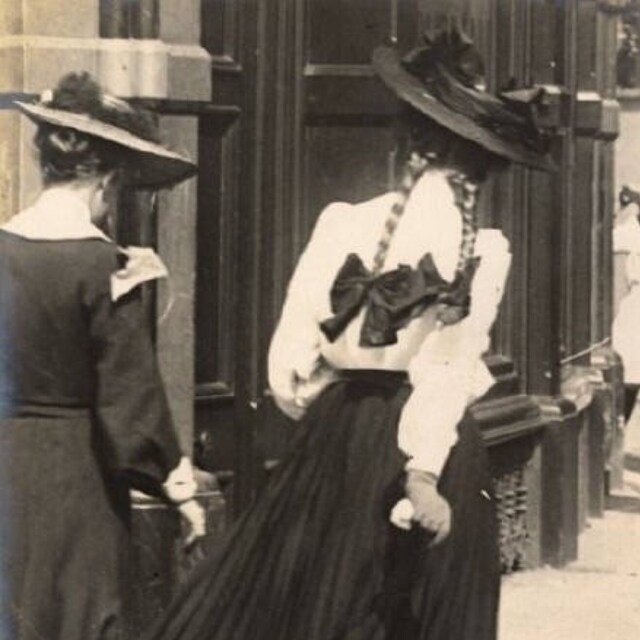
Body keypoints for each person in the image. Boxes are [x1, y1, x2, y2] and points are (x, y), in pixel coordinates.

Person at [143, 28, 554, 640]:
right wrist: (421, 475)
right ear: (484, 165)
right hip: (430, 453)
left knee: (315, 607)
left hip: (336, 440)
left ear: (408, 140)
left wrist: (334, 407)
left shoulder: (343, 222)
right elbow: (444, 373)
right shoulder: (483, 249)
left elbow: (288, 371)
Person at [0, 72, 205, 640]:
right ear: (108, 182)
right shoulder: (104, 267)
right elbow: (130, 396)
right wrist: (180, 490)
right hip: (75, 479)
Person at [613, 184, 640, 423]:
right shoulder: (628, 232)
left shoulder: (628, 231)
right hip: (633, 308)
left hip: (633, 307)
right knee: (631, 373)